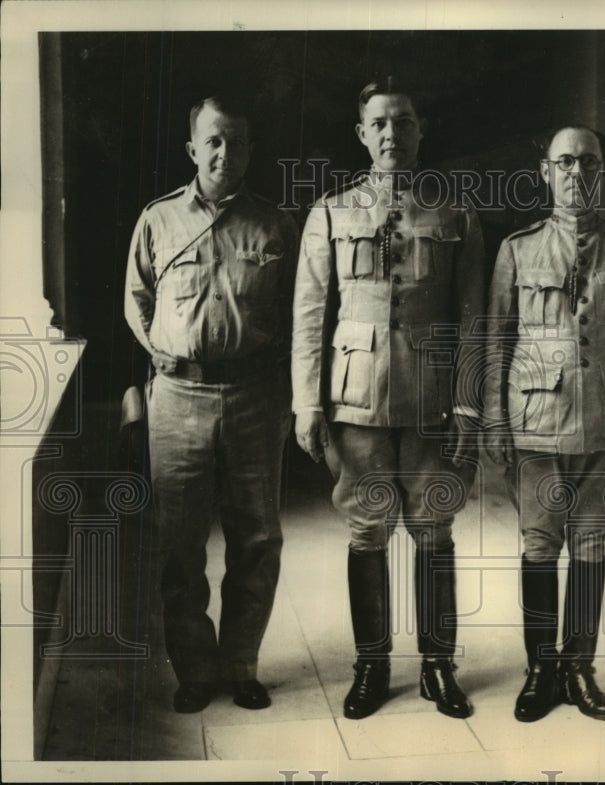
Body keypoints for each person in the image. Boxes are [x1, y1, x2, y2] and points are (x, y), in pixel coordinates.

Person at [291, 77, 485, 720]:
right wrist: (307, 403)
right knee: (367, 530)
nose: (391, 134)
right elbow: (310, 315)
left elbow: (472, 320)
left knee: (433, 529)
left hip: (432, 402)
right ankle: (371, 667)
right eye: (378, 123)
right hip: (356, 401)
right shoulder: (330, 212)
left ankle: (437, 667)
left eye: (402, 121)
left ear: (420, 128)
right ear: (362, 134)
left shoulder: (456, 215)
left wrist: (467, 404)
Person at [484, 126, 605, 722]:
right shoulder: (517, 249)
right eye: (564, 162)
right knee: (540, 544)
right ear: (545, 171)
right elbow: (495, 340)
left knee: (590, 543)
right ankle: (541, 671)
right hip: (535, 420)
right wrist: (493, 417)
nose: (576, 173)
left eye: (588, 162)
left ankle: (579, 669)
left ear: (603, 171)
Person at [124, 95, 299, 713]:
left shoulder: (275, 224)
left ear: (250, 150)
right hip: (178, 398)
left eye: (239, 143)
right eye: (215, 141)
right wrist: (167, 355)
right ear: (193, 149)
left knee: (256, 537)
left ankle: (241, 663)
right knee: (180, 543)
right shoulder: (159, 219)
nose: (226, 153)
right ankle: (196, 669)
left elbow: (294, 314)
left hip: (255, 395)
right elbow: (136, 300)